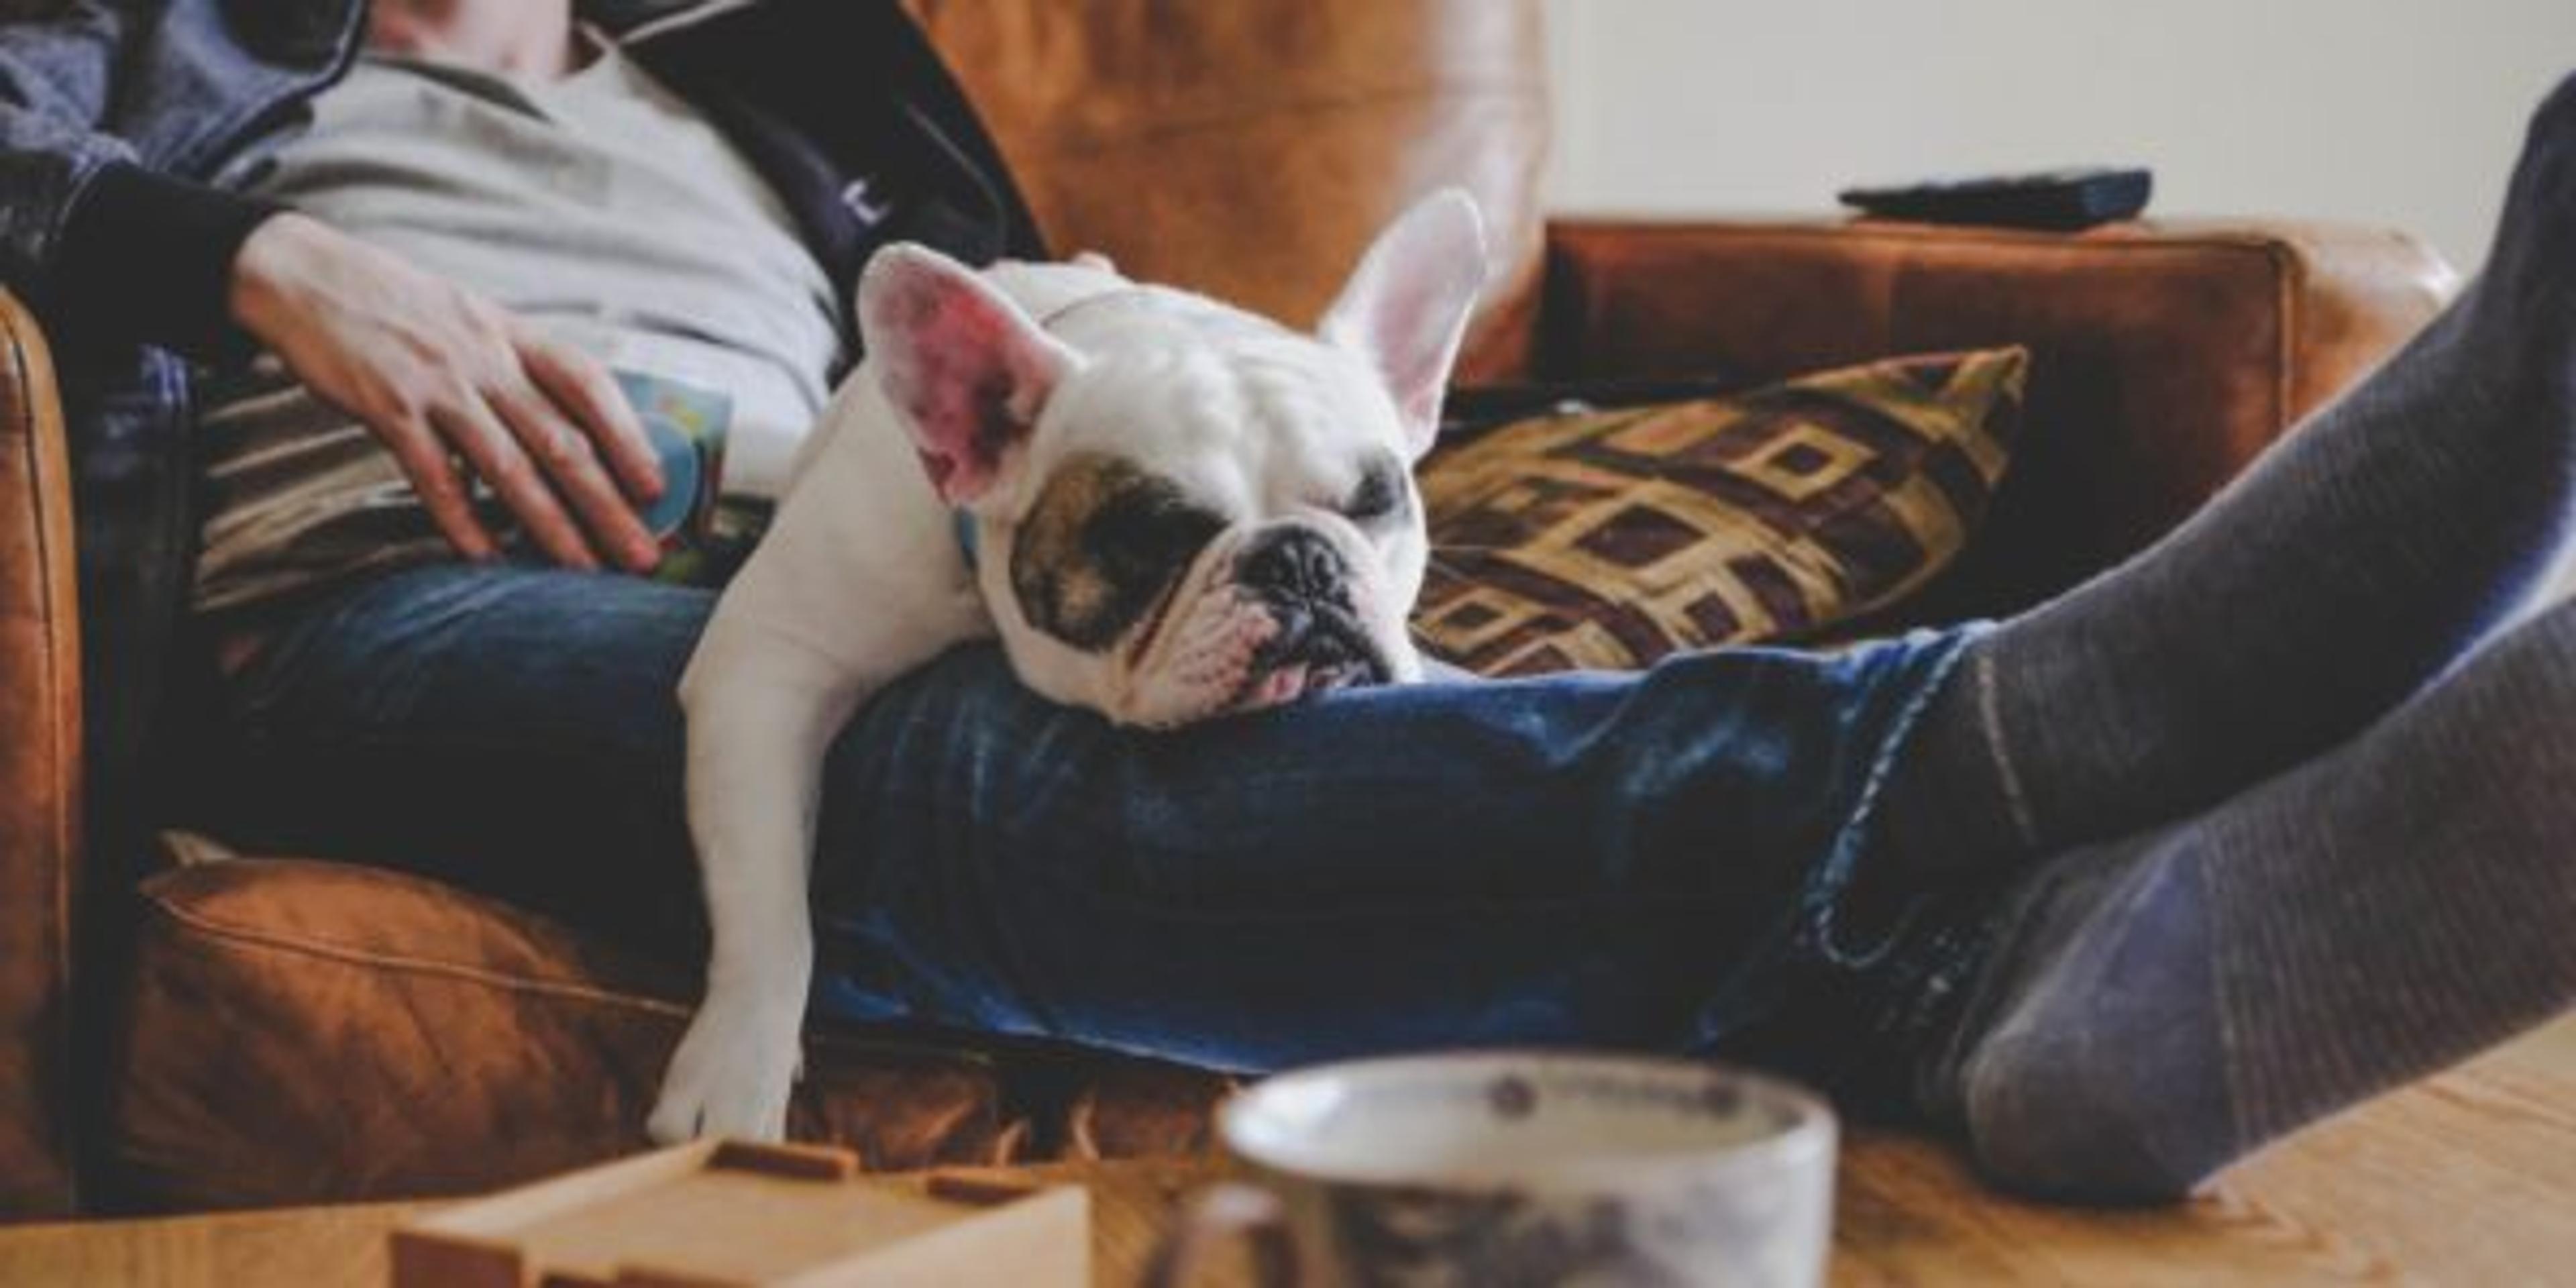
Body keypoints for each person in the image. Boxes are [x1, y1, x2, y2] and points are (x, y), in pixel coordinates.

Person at [3, 0, 2571, 1202]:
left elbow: (1003, 409)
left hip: (801, 518)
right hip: (392, 608)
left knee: (1183, 731)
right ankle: (2046, 729)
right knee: (982, 784)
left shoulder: (763, 69)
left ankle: (2033, 1013)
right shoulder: (159, 52)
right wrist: (268, 263)